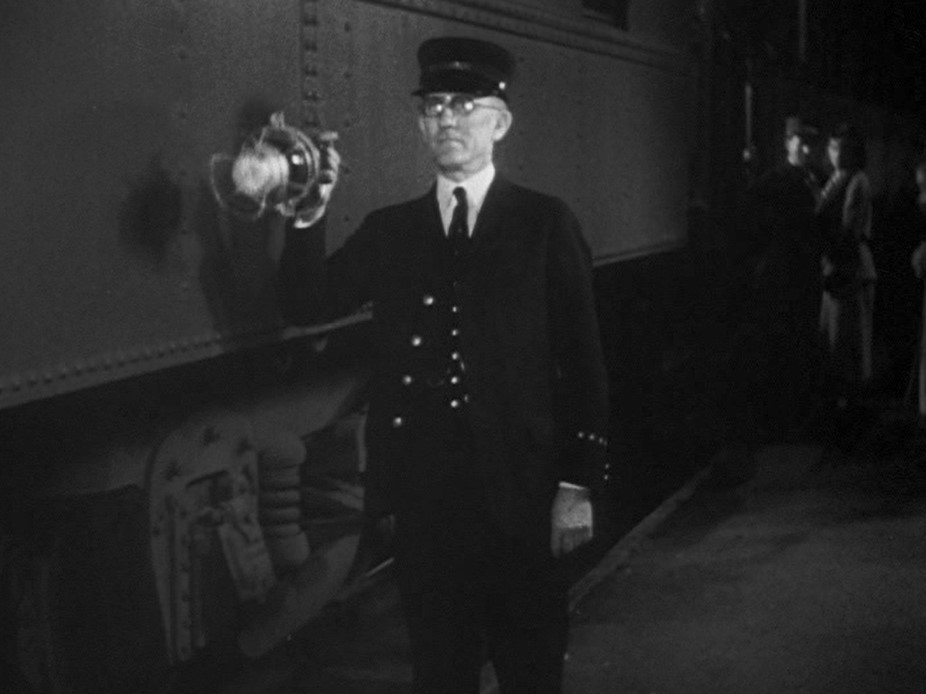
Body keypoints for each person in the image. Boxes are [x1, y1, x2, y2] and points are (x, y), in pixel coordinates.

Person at [276, 37, 610, 694]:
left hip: (524, 494)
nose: (448, 120)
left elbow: (584, 360)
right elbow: (306, 302)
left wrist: (577, 487)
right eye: (433, 107)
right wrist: (307, 210)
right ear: (421, 124)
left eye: (465, 105)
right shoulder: (391, 231)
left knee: (532, 669)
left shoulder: (545, 223)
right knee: (440, 672)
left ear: (500, 123)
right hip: (426, 503)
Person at [745, 116, 822, 440]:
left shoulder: (813, 179)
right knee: (784, 343)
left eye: (809, 144)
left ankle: (793, 414)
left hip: (803, 272)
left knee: (800, 343)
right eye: (800, 142)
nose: (806, 149)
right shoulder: (776, 180)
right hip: (785, 272)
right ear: (788, 143)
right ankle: (780, 416)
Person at [816, 122, 877, 411]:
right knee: (832, 339)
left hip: (849, 269)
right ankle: (839, 402)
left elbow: (849, 230)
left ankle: (851, 405)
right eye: (832, 147)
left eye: (842, 148)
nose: (835, 153)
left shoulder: (857, 181)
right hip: (834, 266)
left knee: (847, 340)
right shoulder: (836, 179)